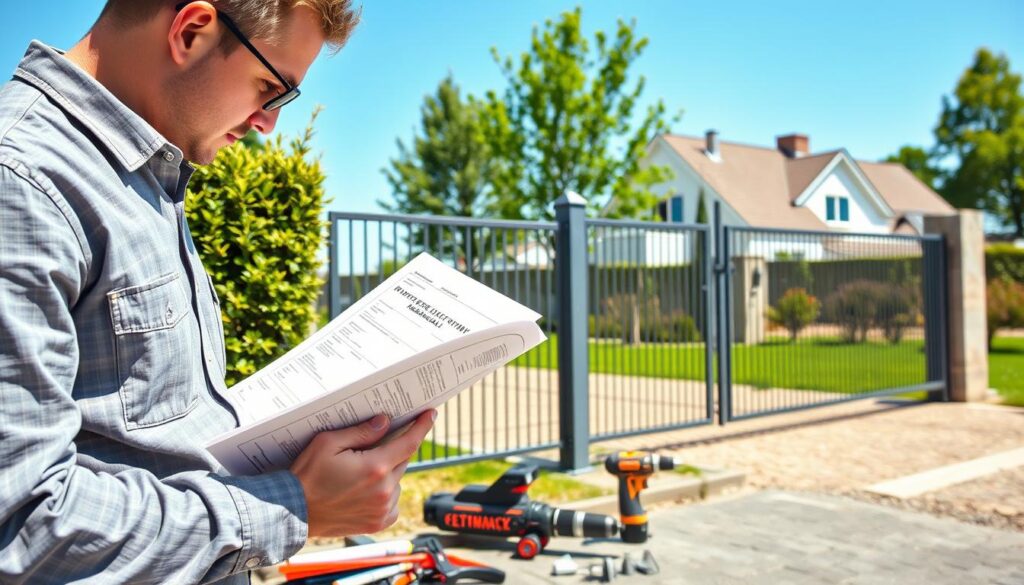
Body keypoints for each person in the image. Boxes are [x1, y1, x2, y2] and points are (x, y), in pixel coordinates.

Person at [0, 1, 436, 583]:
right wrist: (293, 506)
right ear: (193, 30)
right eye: (271, 88)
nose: (267, 122)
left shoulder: (143, 179)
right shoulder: (23, 185)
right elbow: (23, 523)